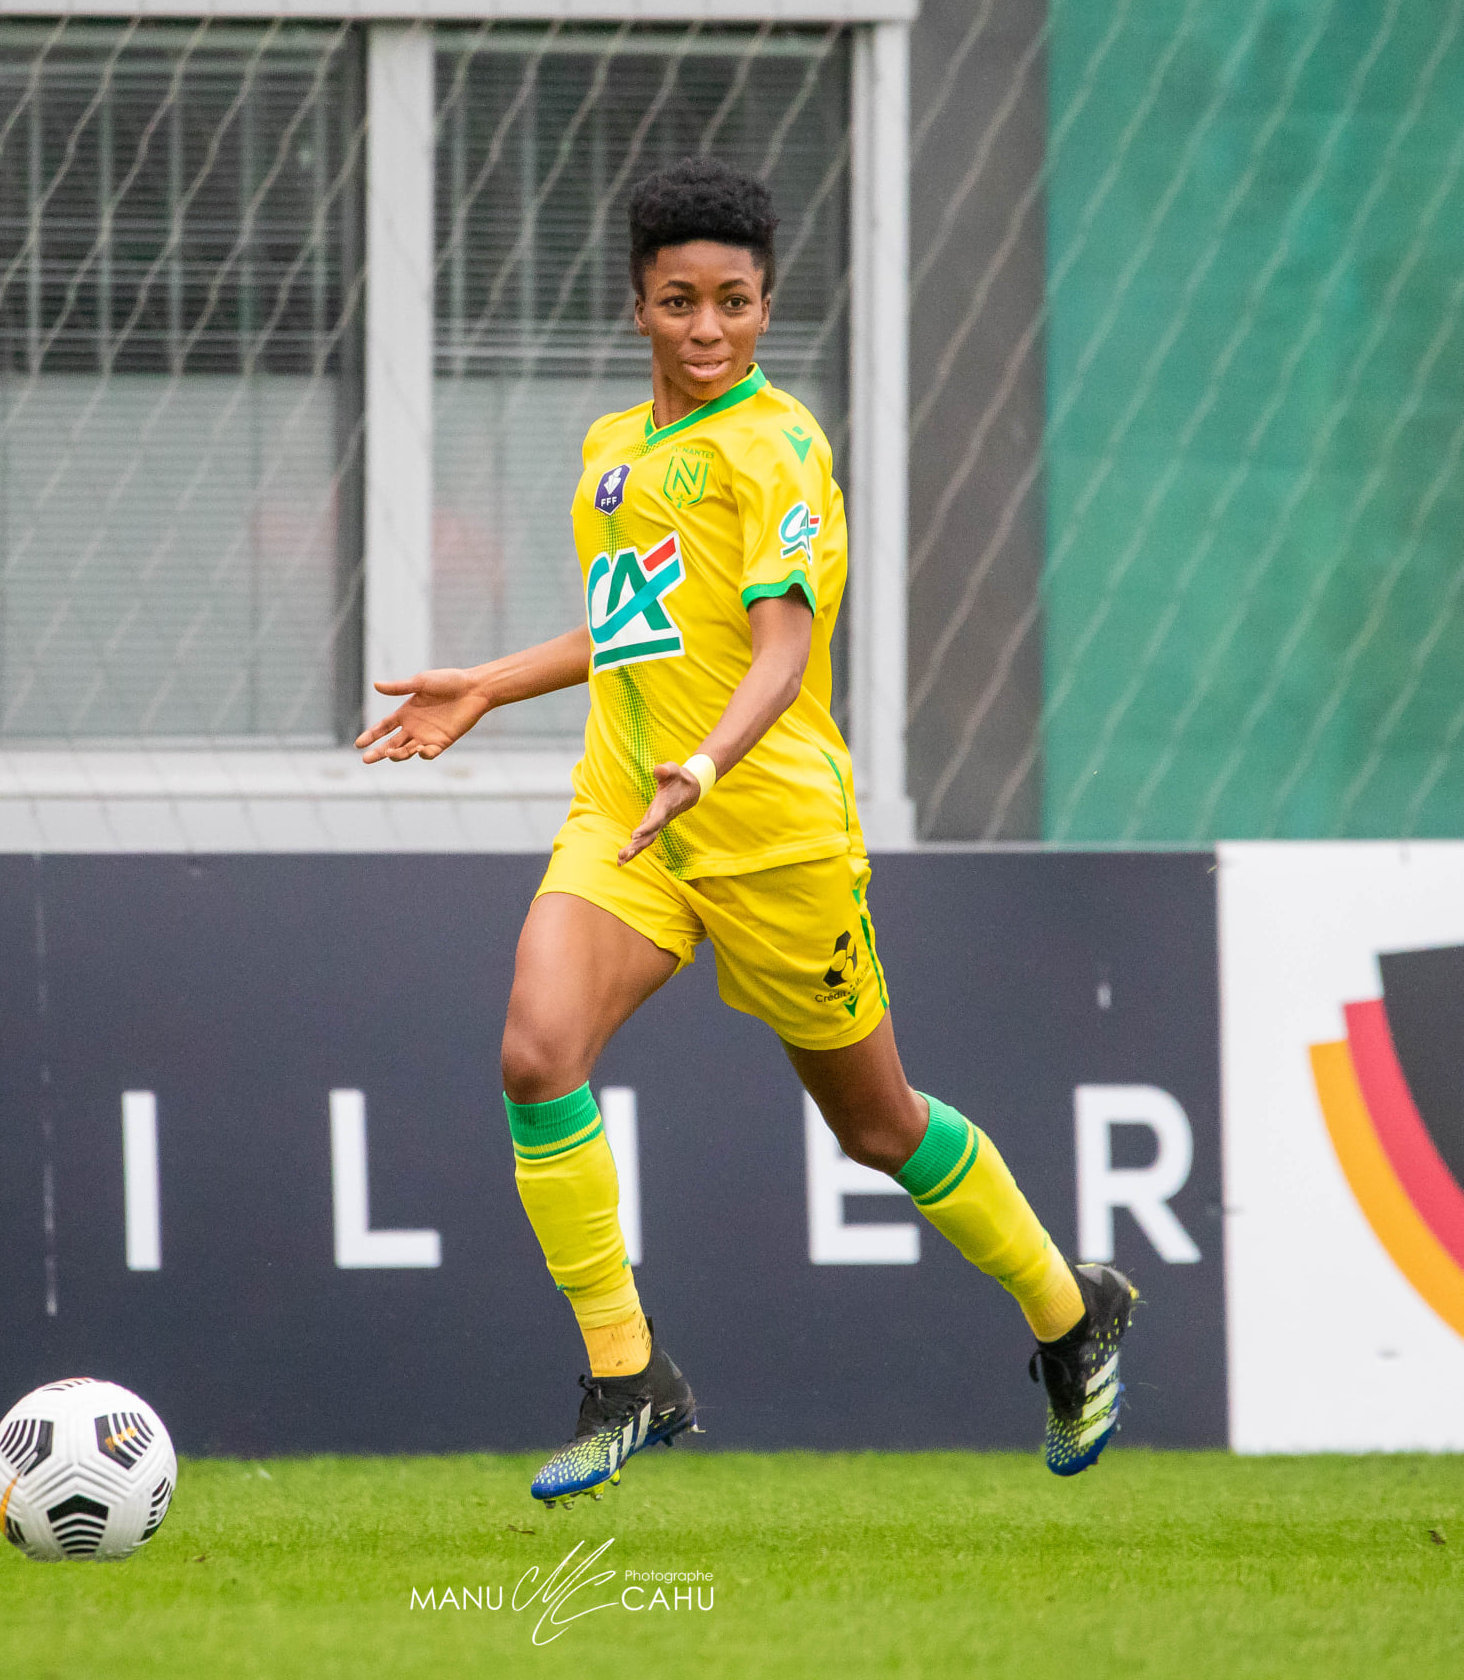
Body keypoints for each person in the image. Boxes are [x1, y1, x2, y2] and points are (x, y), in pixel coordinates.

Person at [356, 156, 1134, 1505]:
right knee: (536, 1053)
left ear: (767, 307)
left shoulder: (778, 449)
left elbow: (782, 649)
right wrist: (488, 682)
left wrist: (709, 763)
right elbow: (636, 628)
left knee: (878, 1128)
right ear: (638, 307)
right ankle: (627, 1375)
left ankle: (1072, 1312)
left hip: (769, 833)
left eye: (733, 301)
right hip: (631, 813)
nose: (707, 327)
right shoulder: (614, 451)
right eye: (680, 302)